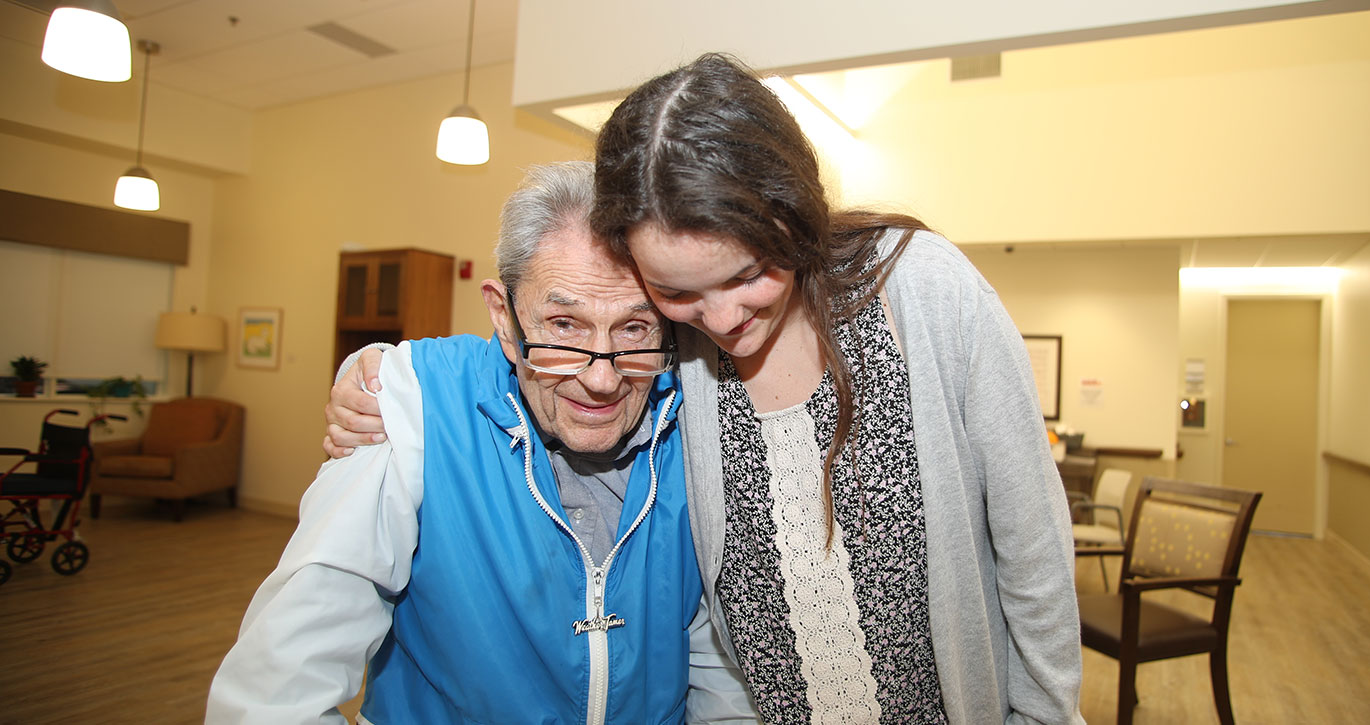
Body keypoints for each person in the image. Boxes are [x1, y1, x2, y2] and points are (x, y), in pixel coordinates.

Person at [329, 55, 1083, 724]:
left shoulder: (921, 290)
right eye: (676, 291)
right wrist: (381, 375)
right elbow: (541, 348)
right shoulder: (672, 353)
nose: (722, 320)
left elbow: (1033, 552)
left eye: (748, 273)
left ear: (794, 211)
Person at [209, 161, 754, 724]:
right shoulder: (416, 405)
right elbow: (278, 687)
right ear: (503, 314)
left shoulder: (700, 421)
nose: (601, 378)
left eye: (634, 329)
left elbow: (714, 661)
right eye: (564, 326)